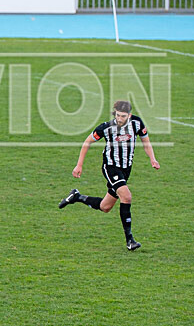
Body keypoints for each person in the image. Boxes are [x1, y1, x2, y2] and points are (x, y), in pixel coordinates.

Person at [58, 100, 160, 251]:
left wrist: (152, 159)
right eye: (118, 115)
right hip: (111, 167)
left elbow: (146, 142)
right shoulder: (106, 128)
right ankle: (130, 240)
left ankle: (77, 197)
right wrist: (79, 165)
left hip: (126, 170)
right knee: (126, 196)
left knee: (105, 207)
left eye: (123, 116)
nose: (120, 119)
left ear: (129, 115)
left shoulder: (137, 124)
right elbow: (87, 142)